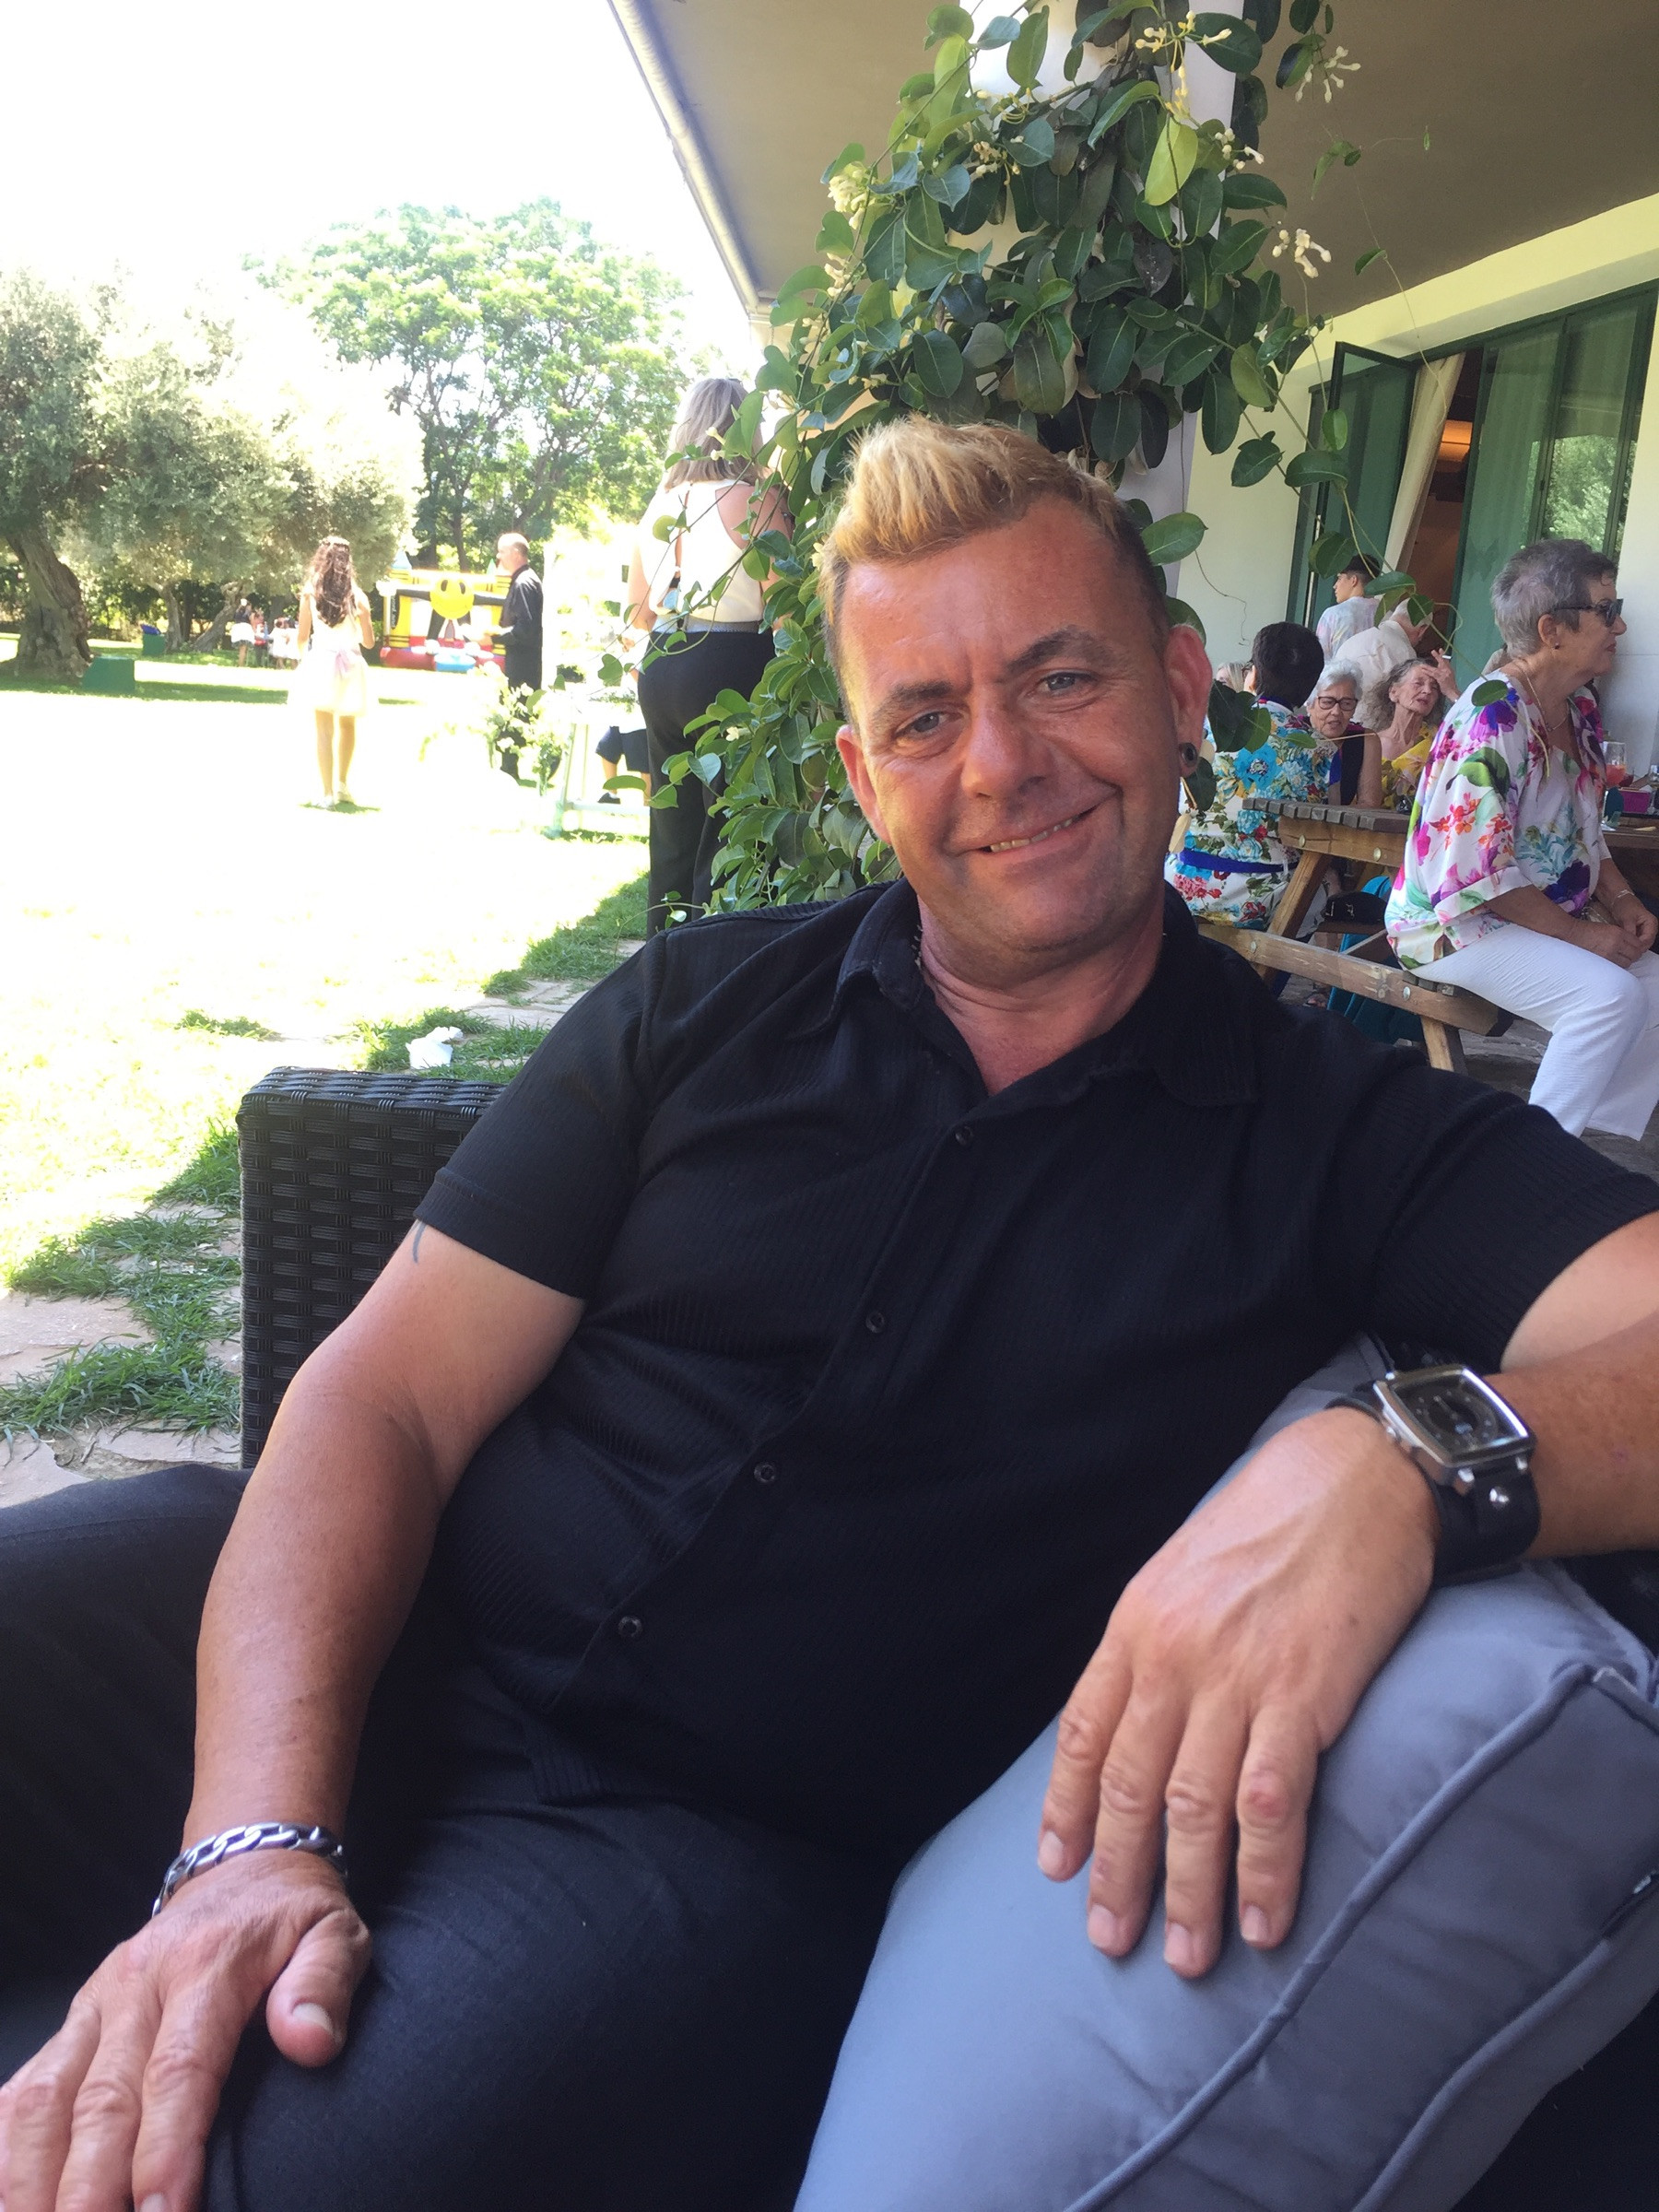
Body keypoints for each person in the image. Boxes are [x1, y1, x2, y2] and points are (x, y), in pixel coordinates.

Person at [5, 424, 1659, 2212]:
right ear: (869, 775)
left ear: (1183, 688)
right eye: (928, 717)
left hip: (674, 1865)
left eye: (1063, 678)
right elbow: (384, 1399)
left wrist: (1410, 1463)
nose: (1003, 763)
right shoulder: (701, 1010)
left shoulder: (1341, 1136)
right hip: (343, 1636)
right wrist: (250, 1837)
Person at [1386, 535, 1659, 1138]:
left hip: (1529, 917)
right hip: (1451, 924)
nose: (1619, 625)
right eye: (1607, 610)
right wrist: (1581, 935)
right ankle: (1532, 1160)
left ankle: (1586, 1144)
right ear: (1551, 630)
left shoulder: (1578, 710)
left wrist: (1620, 899)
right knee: (1607, 998)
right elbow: (1474, 873)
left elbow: (1585, 831)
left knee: (1655, 991)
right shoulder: (1494, 716)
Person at [626, 375, 789, 934]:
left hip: (663, 662)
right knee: (729, 829)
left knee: (671, 826)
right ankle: (714, 957)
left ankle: (663, 958)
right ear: (745, 427)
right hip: (731, 663)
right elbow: (784, 607)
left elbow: (638, 612)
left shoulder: (661, 505)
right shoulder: (755, 498)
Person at [1165, 620, 1329, 928]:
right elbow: (1325, 831)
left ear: (1254, 673)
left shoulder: (1204, 729)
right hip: (1264, 897)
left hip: (1181, 886)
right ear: (1312, 684)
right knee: (1316, 895)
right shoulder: (1321, 749)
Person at [289, 537, 374, 807]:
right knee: (348, 725)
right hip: (351, 664)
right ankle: (342, 785)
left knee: (323, 730)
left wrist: (302, 658)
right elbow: (369, 642)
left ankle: (327, 793)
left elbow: (303, 636)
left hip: (322, 662)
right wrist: (362, 621)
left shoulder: (310, 592)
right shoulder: (357, 597)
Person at [1359, 653, 1453, 812]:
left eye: (1434, 687)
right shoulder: (1369, 742)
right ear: (1393, 692)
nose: (1427, 691)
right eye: (1418, 683)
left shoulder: (1440, 741)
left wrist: (1452, 691)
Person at [1307, 660, 1381, 806]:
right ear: (1309, 705)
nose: (1336, 712)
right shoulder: (1294, 733)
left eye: (1346, 704)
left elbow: (1369, 804)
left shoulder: (1365, 740)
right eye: (1327, 702)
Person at [1314, 552, 1379, 660]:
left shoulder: (1333, 615)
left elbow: (1320, 657)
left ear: (1354, 580)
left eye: (1339, 578)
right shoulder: (1387, 614)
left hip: (1338, 670)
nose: (1335, 586)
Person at [594, 721, 650, 801]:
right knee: (606, 749)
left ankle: (648, 804)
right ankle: (612, 796)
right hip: (620, 722)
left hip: (640, 725)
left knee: (645, 767)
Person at [229, 600, 258, 668]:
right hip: (245, 629)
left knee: (240, 648)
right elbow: (252, 621)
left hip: (237, 628)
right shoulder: (249, 613)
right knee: (243, 648)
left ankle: (239, 663)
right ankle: (241, 664)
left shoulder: (237, 611)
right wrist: (254, 630)